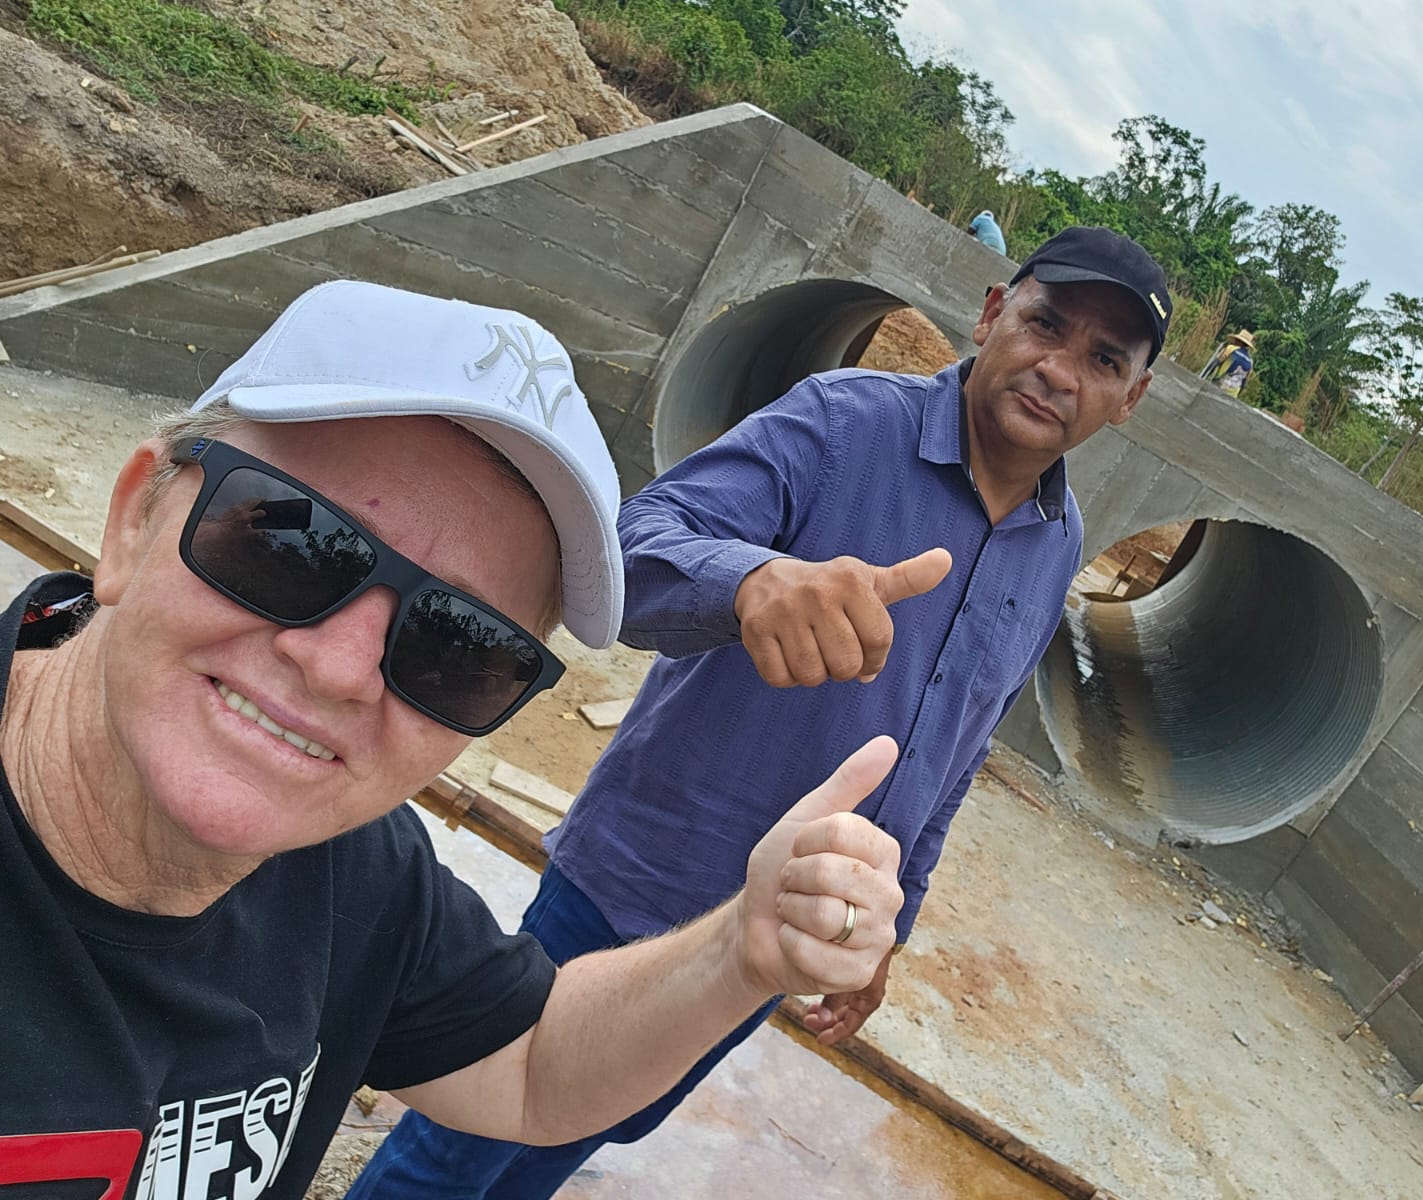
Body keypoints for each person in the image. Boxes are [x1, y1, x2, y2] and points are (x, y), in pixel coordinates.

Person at [0, 280, 907, 1198]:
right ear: (132, 521)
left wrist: (739, 950)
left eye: (459, 645)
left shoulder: (357, 873)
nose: (341, 668)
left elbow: (531, 1069)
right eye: (286, 541)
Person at [354, 225, 1171, 1198]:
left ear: (1130, 399)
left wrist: (886, 927)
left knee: (576, 1136)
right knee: (459, 1153)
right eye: (1047, 323)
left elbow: (951, 756)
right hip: (637, 886)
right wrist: (752, 580)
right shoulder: (840, 423)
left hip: (775, 935)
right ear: (994, 312)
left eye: (1103, 358)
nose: (1058, 366)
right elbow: (632, 548)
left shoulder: (1055, 542)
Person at [1200, 328, 1255, 396]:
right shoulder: (1250, 361)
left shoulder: (1231, 349)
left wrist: (1203, 376)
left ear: (1239, 341)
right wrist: (1238, 395)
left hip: (1220, 385)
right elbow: (1244, 382)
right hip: (1233, 394)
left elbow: (1216, 363)